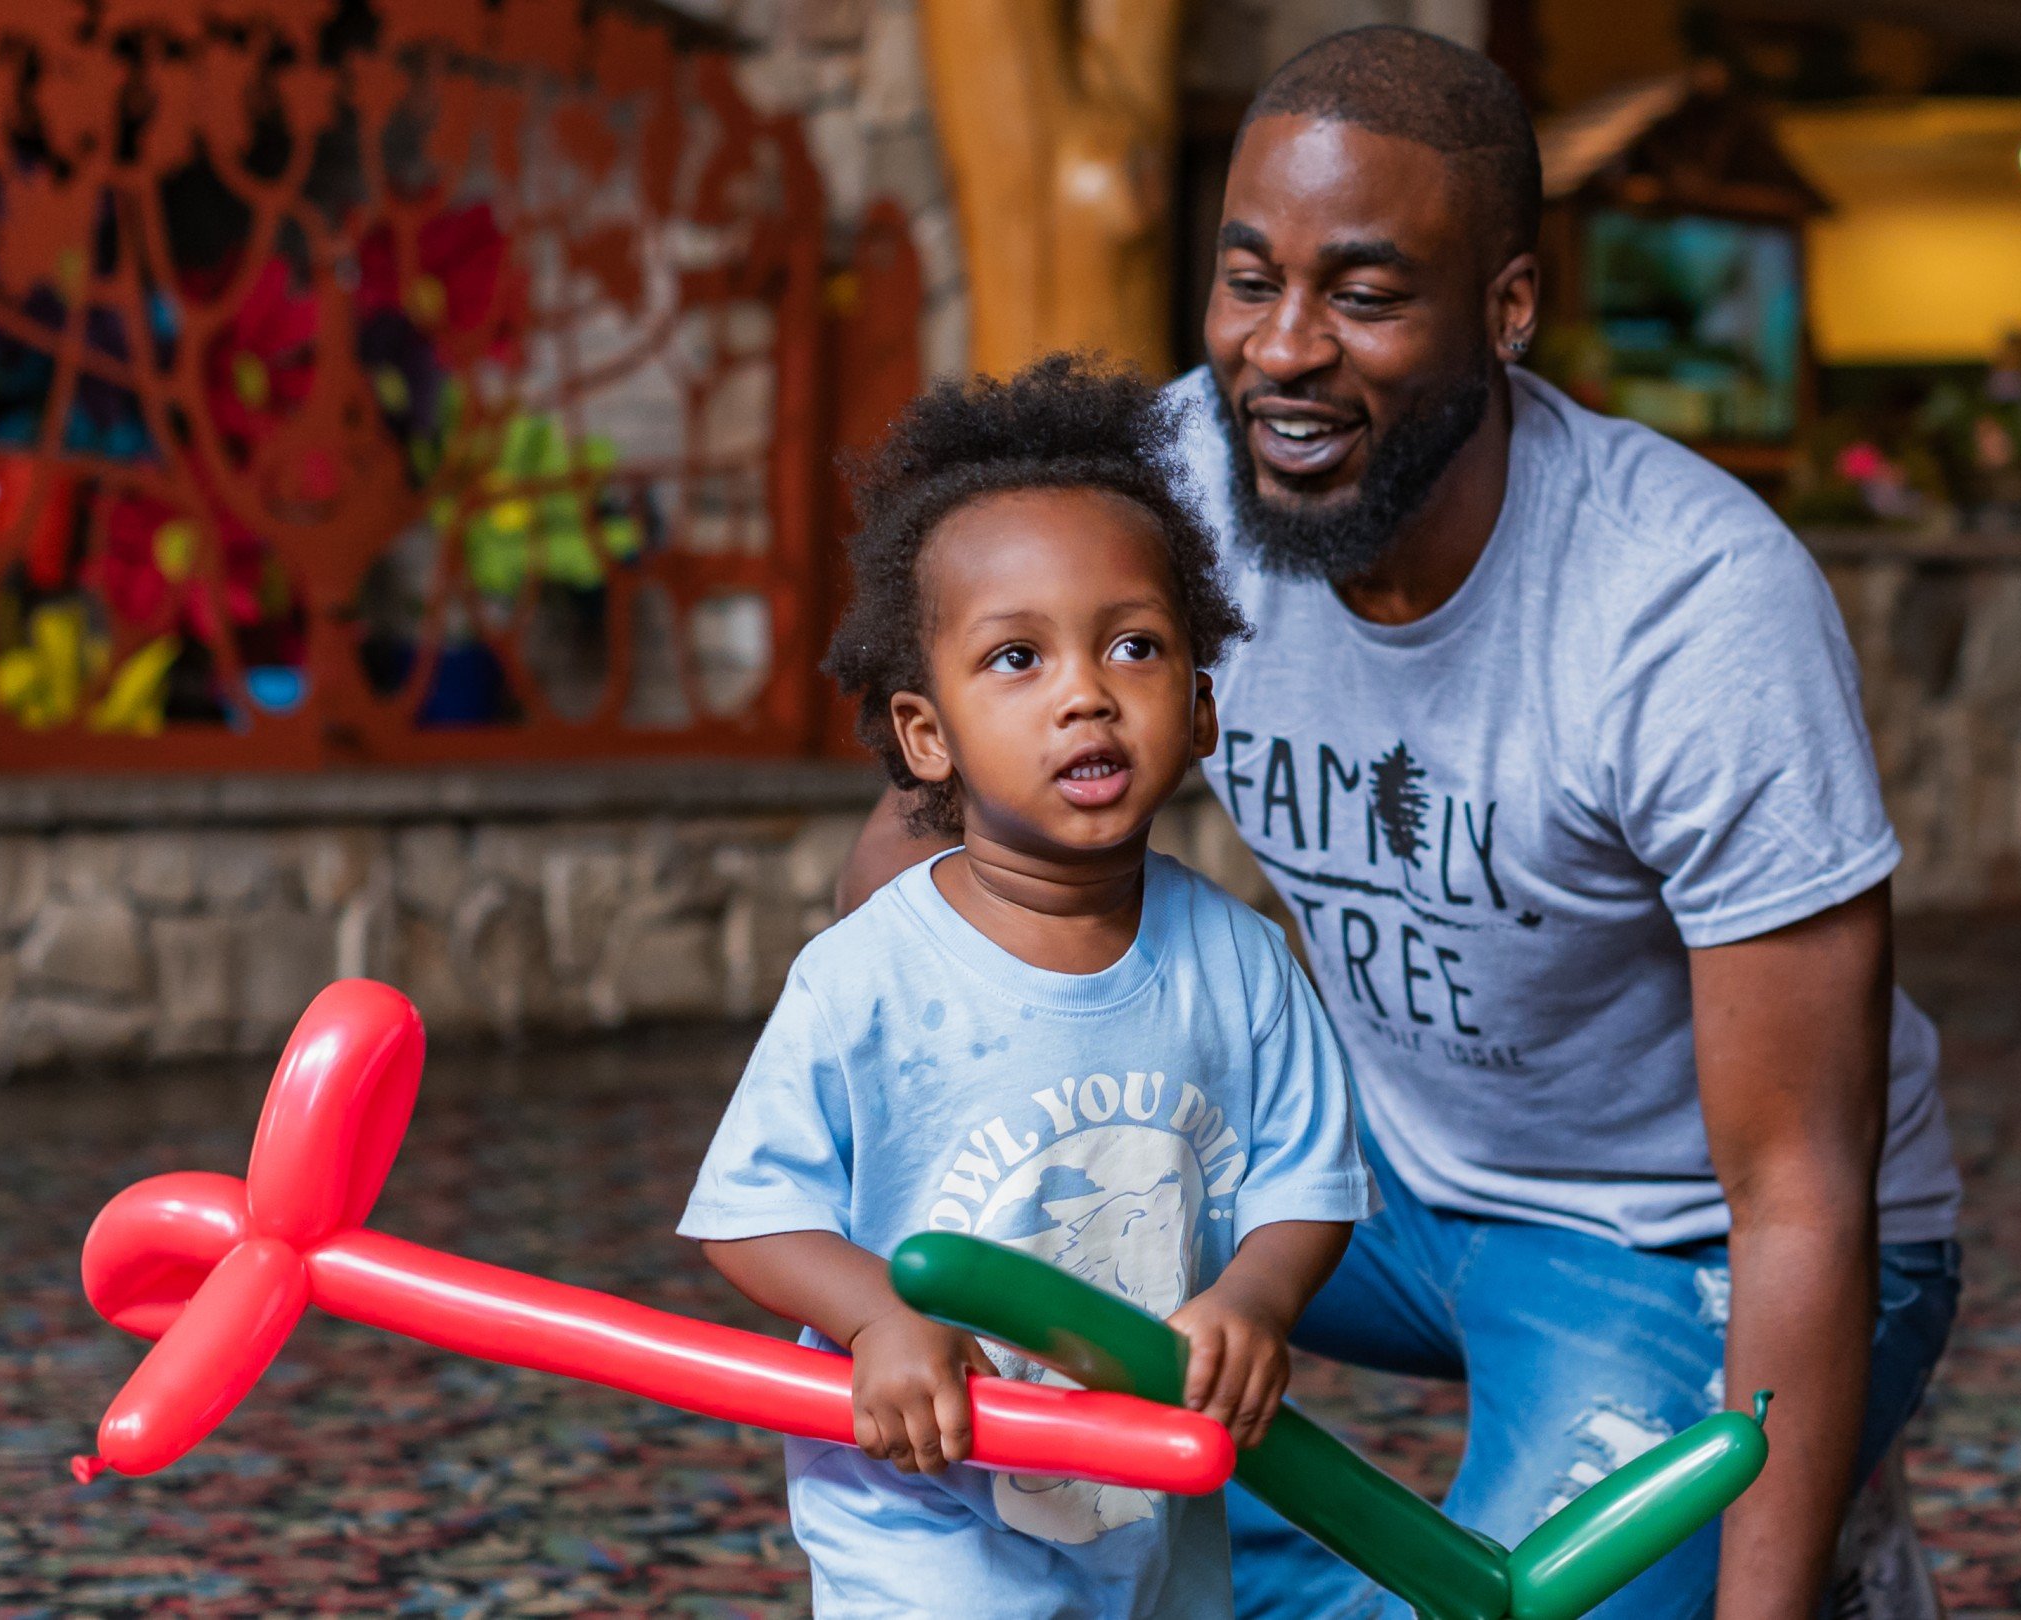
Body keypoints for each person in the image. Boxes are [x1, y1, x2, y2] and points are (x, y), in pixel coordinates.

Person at [838, 25, 1963, 1620]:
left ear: (1506, 310)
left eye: (1363, 296)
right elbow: (921, 840)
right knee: (950, 1285)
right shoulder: (1169, 495)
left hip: (1676, 1233)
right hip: (1372, 1159)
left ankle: (1798, 1523)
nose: (1284, 350)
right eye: (1248, 282)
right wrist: (905, 1156)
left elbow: (1798, 1188)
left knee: (1523, 1599)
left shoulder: (1690, 609)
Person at [683, 358, 1378, 1620]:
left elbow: (1304, 1184)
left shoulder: (1245, 965)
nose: (1084, 692)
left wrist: (1254, 1297)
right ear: (926, 735)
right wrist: (874, 1315)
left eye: (1134, 644)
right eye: (1016, 656)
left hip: (1146, 1507)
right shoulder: (866, 978)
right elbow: (747, 1212)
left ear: (1203, 704)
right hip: (927, 1507)